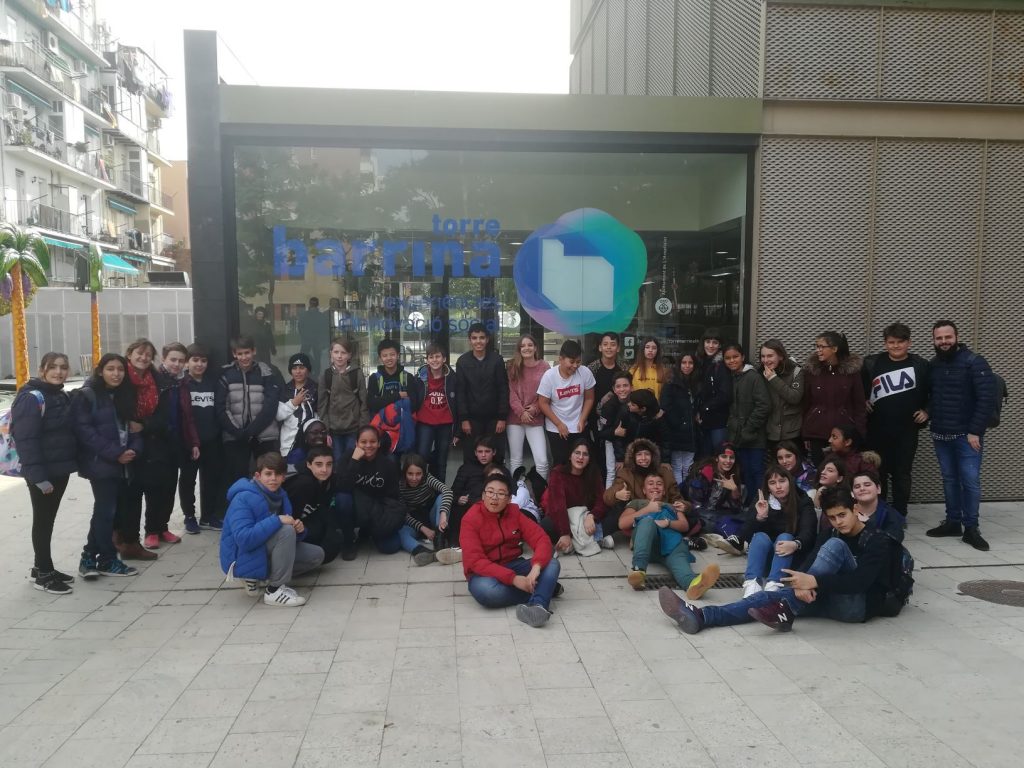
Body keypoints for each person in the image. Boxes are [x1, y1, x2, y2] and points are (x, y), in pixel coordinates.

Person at [658, 486, 899, 633]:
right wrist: (800, 584)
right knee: (764, 598)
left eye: (842, 515)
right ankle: (703, 617)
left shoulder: (877, 540)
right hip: (825, 598)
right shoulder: (831, 531)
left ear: (855, 509)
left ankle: (788, 608)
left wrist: (813, 582)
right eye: (833, 517)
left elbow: (860, 582)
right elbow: (810, 562)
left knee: (834, 546)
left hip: (858, 606)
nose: (838, 522)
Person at [120, 341, 199, 553]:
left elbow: (187, 416)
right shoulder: (155, 380)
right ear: (163, 359)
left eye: (181, 361)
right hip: (151, 440)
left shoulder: (182, 382)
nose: (177, 364)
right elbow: (156, 414)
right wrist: (146, 427)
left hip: (174, 441)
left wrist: (192, 441)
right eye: (173, 359)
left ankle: (162, 527)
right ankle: (151, 530)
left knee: (168, 487)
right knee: (152, 487)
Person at [924, 320, 996, 551]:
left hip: (967, 437)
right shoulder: (933, 364)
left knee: (970, 482)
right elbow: (933, 396)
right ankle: (953, 522)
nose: (944, 342)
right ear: (934, 340)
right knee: (949, 479)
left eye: (948, 337)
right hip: (941, 434)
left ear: (956, 337)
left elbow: (986, 399)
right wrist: (927, 412)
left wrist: (975, 431)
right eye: (939, 338)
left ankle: (971, 528)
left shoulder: (974, 362)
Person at [10, 352, 78, 594]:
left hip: (58, 468)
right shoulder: (32, 398)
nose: (58, 372)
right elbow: (26, 440)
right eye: (53, 367)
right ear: (42, 370)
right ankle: (44, 576)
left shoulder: (59, 394)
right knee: (43, 520)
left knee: (47, 519)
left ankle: (41, 567)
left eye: (63, 367)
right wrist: (38, 478)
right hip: (44, 473)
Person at [220, 452, 324, 607]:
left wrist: (299, 530)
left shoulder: (281, 495)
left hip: (261, 548)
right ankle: (274, 591)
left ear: (284, 477)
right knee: (286, 531)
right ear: (258, 476)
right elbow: (243, 539)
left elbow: (284, 540)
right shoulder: (243, 497)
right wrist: (277, 520)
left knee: (316, 555)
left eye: (278, 474)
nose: (273, 478)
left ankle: (258, 576)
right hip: (242, 556)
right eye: (268, 474)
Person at [72, 353, 141, 580]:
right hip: (100, 464)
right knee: (106, 511)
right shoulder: (87, 395)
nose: (116, 374)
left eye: (120, 369)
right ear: (101, 371)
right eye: (111, 369)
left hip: (124, 463)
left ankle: (89, 558)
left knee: (106, 511)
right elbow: (85, 432)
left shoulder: (125, 395)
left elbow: (135, 428)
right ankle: (107, 559)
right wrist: (116, 453)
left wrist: (133, 450)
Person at [460, 473, 561, 628]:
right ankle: (545, 588)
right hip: (484, 573)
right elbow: (476, 561)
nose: (494, 498)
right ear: (483, 495)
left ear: (509, 499)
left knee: (552, 563)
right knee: (487, 592)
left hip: (513, 564)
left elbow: (541, 539)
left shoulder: (514, 513)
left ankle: (538, 606)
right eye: (490, 492)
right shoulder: (470, 519)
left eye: (501, 494)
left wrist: (536, 566)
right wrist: (513, 579)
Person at [862, 322, 930, 518]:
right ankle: (879, 513)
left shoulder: (921, 365)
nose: (896, 346)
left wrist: (928, 411)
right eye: (891, 342)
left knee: (902, 474)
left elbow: (935, 392)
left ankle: (900, 515)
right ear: (885, 343)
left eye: (900, 342)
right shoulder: (871, 363)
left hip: (907, 431)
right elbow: (857, 390)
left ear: (909, 342)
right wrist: (863, 401)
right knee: (878, 473)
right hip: (877, 430)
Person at [621, 474, 719, 598]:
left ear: (664, 491)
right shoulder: (637, 503)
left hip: (672, 544)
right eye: (650, 483)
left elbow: (684, 526)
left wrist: (668, 523)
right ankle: (638, 570)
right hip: (648, 543)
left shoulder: (673, 506)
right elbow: (622, 523)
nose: (655, 486)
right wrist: (647, 510)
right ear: (644, 490)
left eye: (659, 484)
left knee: (681, 562)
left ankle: (693, 585)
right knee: (647, 521)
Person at [740, 466, 817, 597]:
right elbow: (744, 535)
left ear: (790, 482)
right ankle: (752, 583)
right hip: (765, 560)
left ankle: (774, 586)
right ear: (768, 486)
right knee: (760, 536)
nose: (778, 486)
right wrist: (760, 517)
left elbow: (809, 532)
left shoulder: (802, 500)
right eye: (772, 483)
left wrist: (796, 544)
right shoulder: (762, 499)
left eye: (782, 481)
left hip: (791, 558)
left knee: (785, 537)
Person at [217, 335, 281, 486]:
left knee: (268, 476)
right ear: (234, 354)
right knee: (238, 478)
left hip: (264, 435)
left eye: (247, 352)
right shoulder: (226, 374)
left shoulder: (266, 373)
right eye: (240, 353)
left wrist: (252, 430)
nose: (244, 357)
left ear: (254, 351)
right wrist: (237, 431)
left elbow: (270, 406)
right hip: (235, 435)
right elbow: (221, 407)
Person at [335, 425, 405, 556]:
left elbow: (393, 495)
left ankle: (366, 532)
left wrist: (382, 521)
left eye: (372, 442)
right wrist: (354, 461)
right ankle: (349, 540)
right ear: (356, 443)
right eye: (363, 442)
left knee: (391, 547)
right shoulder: (348, 457)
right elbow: (342, 486)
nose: (368, 445)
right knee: (342, 498)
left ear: (379, 443)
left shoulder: (388, 463)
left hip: (375, 510)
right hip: (354, 507)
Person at [802, 331, 866, 465]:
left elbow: (859, 405)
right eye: (817, 346)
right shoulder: (812, 372)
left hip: (843, 435)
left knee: (843, 470)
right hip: (817, 433)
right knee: (820, 471)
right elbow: (806, 403)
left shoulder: (851, 372)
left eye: (822, 347)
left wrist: (859, 432)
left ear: (834, 349)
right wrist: (805, 432)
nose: (818, 350)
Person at [180, 343, 224, 532]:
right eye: (195, 360)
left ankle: (208, 516)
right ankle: (189, 517)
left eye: (203, 361)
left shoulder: (213, 382)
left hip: (212, 440)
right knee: (188, 480)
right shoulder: (182, 384)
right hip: (190, 443)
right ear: (187, 362)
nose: (199, 364)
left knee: (212, 479)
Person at [540, 438, 612, 554]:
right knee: (545, 525)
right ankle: (596, 538)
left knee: (613, 512)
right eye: (577, 453)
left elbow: (600, 499)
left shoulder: (594, 472)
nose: (580, 457)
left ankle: (580, 542)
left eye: (585, 454)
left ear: (589, 458)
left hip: (586, 519)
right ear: (570, 456)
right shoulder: (558, 473)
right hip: (565, 518)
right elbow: (558, 506)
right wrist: (565, 533)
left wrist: (591, 516)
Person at [605, 438, 687, 538]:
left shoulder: (665, 473)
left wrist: (683, 505)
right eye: (639, 454)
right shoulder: (626, 474)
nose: (643, 458)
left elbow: (677, 497)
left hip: (661, 511)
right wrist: (616, 494)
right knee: (614, 515)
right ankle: (604, 538)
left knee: (691, 518)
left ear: (652, 456)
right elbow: (607, 497)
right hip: (637, 513)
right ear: (633, 457)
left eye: (647, 454)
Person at [537, 338, 596, 470]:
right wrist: (559, 424)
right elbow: (543, 403)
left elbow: (589, 398)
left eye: (578, 362)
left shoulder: (585, 372)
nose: (575, 366)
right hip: (556, 428)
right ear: (561, 359)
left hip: (579, 426)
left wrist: (583, 419)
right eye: (572, 362)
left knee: (583, 462)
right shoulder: (549, 376)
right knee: (561, 464)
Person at [723, 343, 770, 506]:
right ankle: (750, 505)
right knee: (746, 472)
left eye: (735, 357)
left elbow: (764, 405)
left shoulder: (753, 377)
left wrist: (748, 428)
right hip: (738, 436)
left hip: (754, 436)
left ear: (743, 357)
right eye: (727, 358)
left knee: (757, 471)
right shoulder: (732, 377)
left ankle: (760, 505)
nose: (732, 361)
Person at [455, 323, 509, 463]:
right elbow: (460, 392)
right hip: (472, 420)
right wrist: (464, 419)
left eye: (482, 338)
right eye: (474, 338)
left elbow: (503, 388)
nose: (478, 341)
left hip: (494, 419)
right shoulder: (462, 361)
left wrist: (502, 417)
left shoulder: (497, 360)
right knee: (471, 456)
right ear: (469, 340)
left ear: (487, 339)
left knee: (496, 456)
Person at [282, 447, 343, 564]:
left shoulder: (329, 479)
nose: (324, 469)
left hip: (309, 517)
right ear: (309, 465)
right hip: (291, 526)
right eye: (319, 465)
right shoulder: (303, 483)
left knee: (333, 539)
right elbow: (290, 515)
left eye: (329, 464)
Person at [367, 338, 423, 458]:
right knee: (389, 460)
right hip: (383, 430)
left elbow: (414, 404)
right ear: (380, 358)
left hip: (404, 428)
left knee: (408, 461)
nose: (389, 358)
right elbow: (372, 404)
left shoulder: (407, 377)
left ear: (398, 355)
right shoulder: (375, 378)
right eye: (385, 355)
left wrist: (386, 403)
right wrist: (398, 396)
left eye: (392, 354)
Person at [397, 453, 454, 566]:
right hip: (415, 523)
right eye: (410, 474)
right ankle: (425, 552)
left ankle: (440, 544)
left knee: (441, 497)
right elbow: (404, 514)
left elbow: (447, 491)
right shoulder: (400, 485)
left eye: (418, 474)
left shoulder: (428, 478)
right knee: (400, 532)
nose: (414, 478)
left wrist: (443, 515)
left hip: (432, 518)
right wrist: (423, 529)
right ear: (405, 473)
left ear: (423, 473)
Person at [506, 334, 550, 480]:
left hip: (535, 419)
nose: (527, 348)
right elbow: (510, 392)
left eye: (530, 345)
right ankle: (517, 490)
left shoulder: (544, 366)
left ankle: (541, 491)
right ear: (519, 349)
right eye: (523, 346)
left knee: (542, 461)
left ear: (535, 348)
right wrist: (521, 412)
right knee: (516, 460)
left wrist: (536, 408)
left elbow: (547, 392)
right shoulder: (512, 366)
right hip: (515, 419)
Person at [686, 443, 744, 551]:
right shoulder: (704, 473)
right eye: (724, 456)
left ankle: (737, 539)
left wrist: (734, 490)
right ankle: (735, 539)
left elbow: (737, 509)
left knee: (742, 517)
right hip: (698, 514)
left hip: (716, 513)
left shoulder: (732, 475)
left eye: (731, 457)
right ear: (716, 458)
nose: (728, 461)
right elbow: (694, 505)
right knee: (721, 522)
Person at [319, 336, 367, 463]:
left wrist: (362, 430)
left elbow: (364, 403)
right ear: (331, 353)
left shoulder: (357, 373)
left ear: (349, 355)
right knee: (337, 462)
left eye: (343, 353)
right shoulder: (326, 375)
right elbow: (322, 405)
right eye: (336, 352)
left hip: (353, 428)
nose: (339, 356)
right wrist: (326, 430)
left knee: (353, 461)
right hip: (334, 430)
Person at [448, 436, 502, 546]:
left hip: (491, 506)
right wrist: (458, 499)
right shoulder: (466, 468)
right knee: (457, 508)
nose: (483, 455)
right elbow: (453, 492)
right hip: (468, 506)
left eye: (487, 451)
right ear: (475, 453)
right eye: (480, 452)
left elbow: (509, 492)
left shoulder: (500, 469)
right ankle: (456, 544)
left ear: (494, 452)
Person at [414, 343, 457, 481]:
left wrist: (457, 430)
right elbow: (414, 398)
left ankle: (440, 491)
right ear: (427, 360)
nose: (434, 360)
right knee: (422, 456)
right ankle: (421, 488)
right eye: (431, 357)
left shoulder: (452, 377)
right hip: (424, 422)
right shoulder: (420, 376)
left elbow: (458, 403)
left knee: (442, 460)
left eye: (437, 356)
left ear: (444, 359)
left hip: (445, 423)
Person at [759, 339, 804, 456]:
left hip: (792, 433)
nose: (766, 360)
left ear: (781, 356)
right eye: (763, 356)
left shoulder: (796, 371)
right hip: (769, 433)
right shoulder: (759, 373)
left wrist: (773, 378)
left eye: (770, 356)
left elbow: (795, 397)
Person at [661, 351, 699, 485]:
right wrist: (678, 423)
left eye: (690, 363)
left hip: (691, 432)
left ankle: (687, 493)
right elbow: (665, 406)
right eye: (684, 363)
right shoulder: (671, 383)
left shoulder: (696, 383)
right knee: (677, 466)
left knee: (689, 466)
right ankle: (678, 494)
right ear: (679, 364)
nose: (687, 366)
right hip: (676, 431)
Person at [695, 328, 733, 457]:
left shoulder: (721, 365)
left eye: (715, 342)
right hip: (703, 421)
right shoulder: (700, 362)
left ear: (720, 345)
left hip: (718, 421)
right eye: (708, 342)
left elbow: (725, 395)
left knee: (719, 456)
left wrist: (705, 408)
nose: (711, 346)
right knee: (705, 458)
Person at [587, 332, 628, 442]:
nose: (609, 347)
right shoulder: (591, 368)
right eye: (605, 344)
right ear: (600, 347)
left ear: (618, 348)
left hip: (619, 416)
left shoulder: (624, 368)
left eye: (613, 344)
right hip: (596, 418)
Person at [596, 372, 633, 487]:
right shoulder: (608, 406)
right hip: (611, 440)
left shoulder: (636, 401)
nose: (622, 389)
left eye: (625, 385)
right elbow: (601, 433)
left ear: (631, 387)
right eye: (618, 386)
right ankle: (609, 496)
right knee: (612, 471)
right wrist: (614, 432)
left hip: (630, 440)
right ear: (614, 389)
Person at [851, 469, 904, 542]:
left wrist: (867, 524)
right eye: (857, 487)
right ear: (852, 493)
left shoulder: (891, 515)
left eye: (867, 485)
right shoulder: (846, 511)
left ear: (878, 489)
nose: (862, 489)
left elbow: (892, 543)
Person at [297, 297, 329, 372]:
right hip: (317, 341)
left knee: (303, 356)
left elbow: (300, 327)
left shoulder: (304, 315)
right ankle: (316, 372)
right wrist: (323, 341)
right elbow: (324, 329)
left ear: (310, 304)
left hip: (306, 340)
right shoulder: (321, 316)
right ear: (318, 304)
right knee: (317, 357)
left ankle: (306, 370)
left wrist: (303, 337)